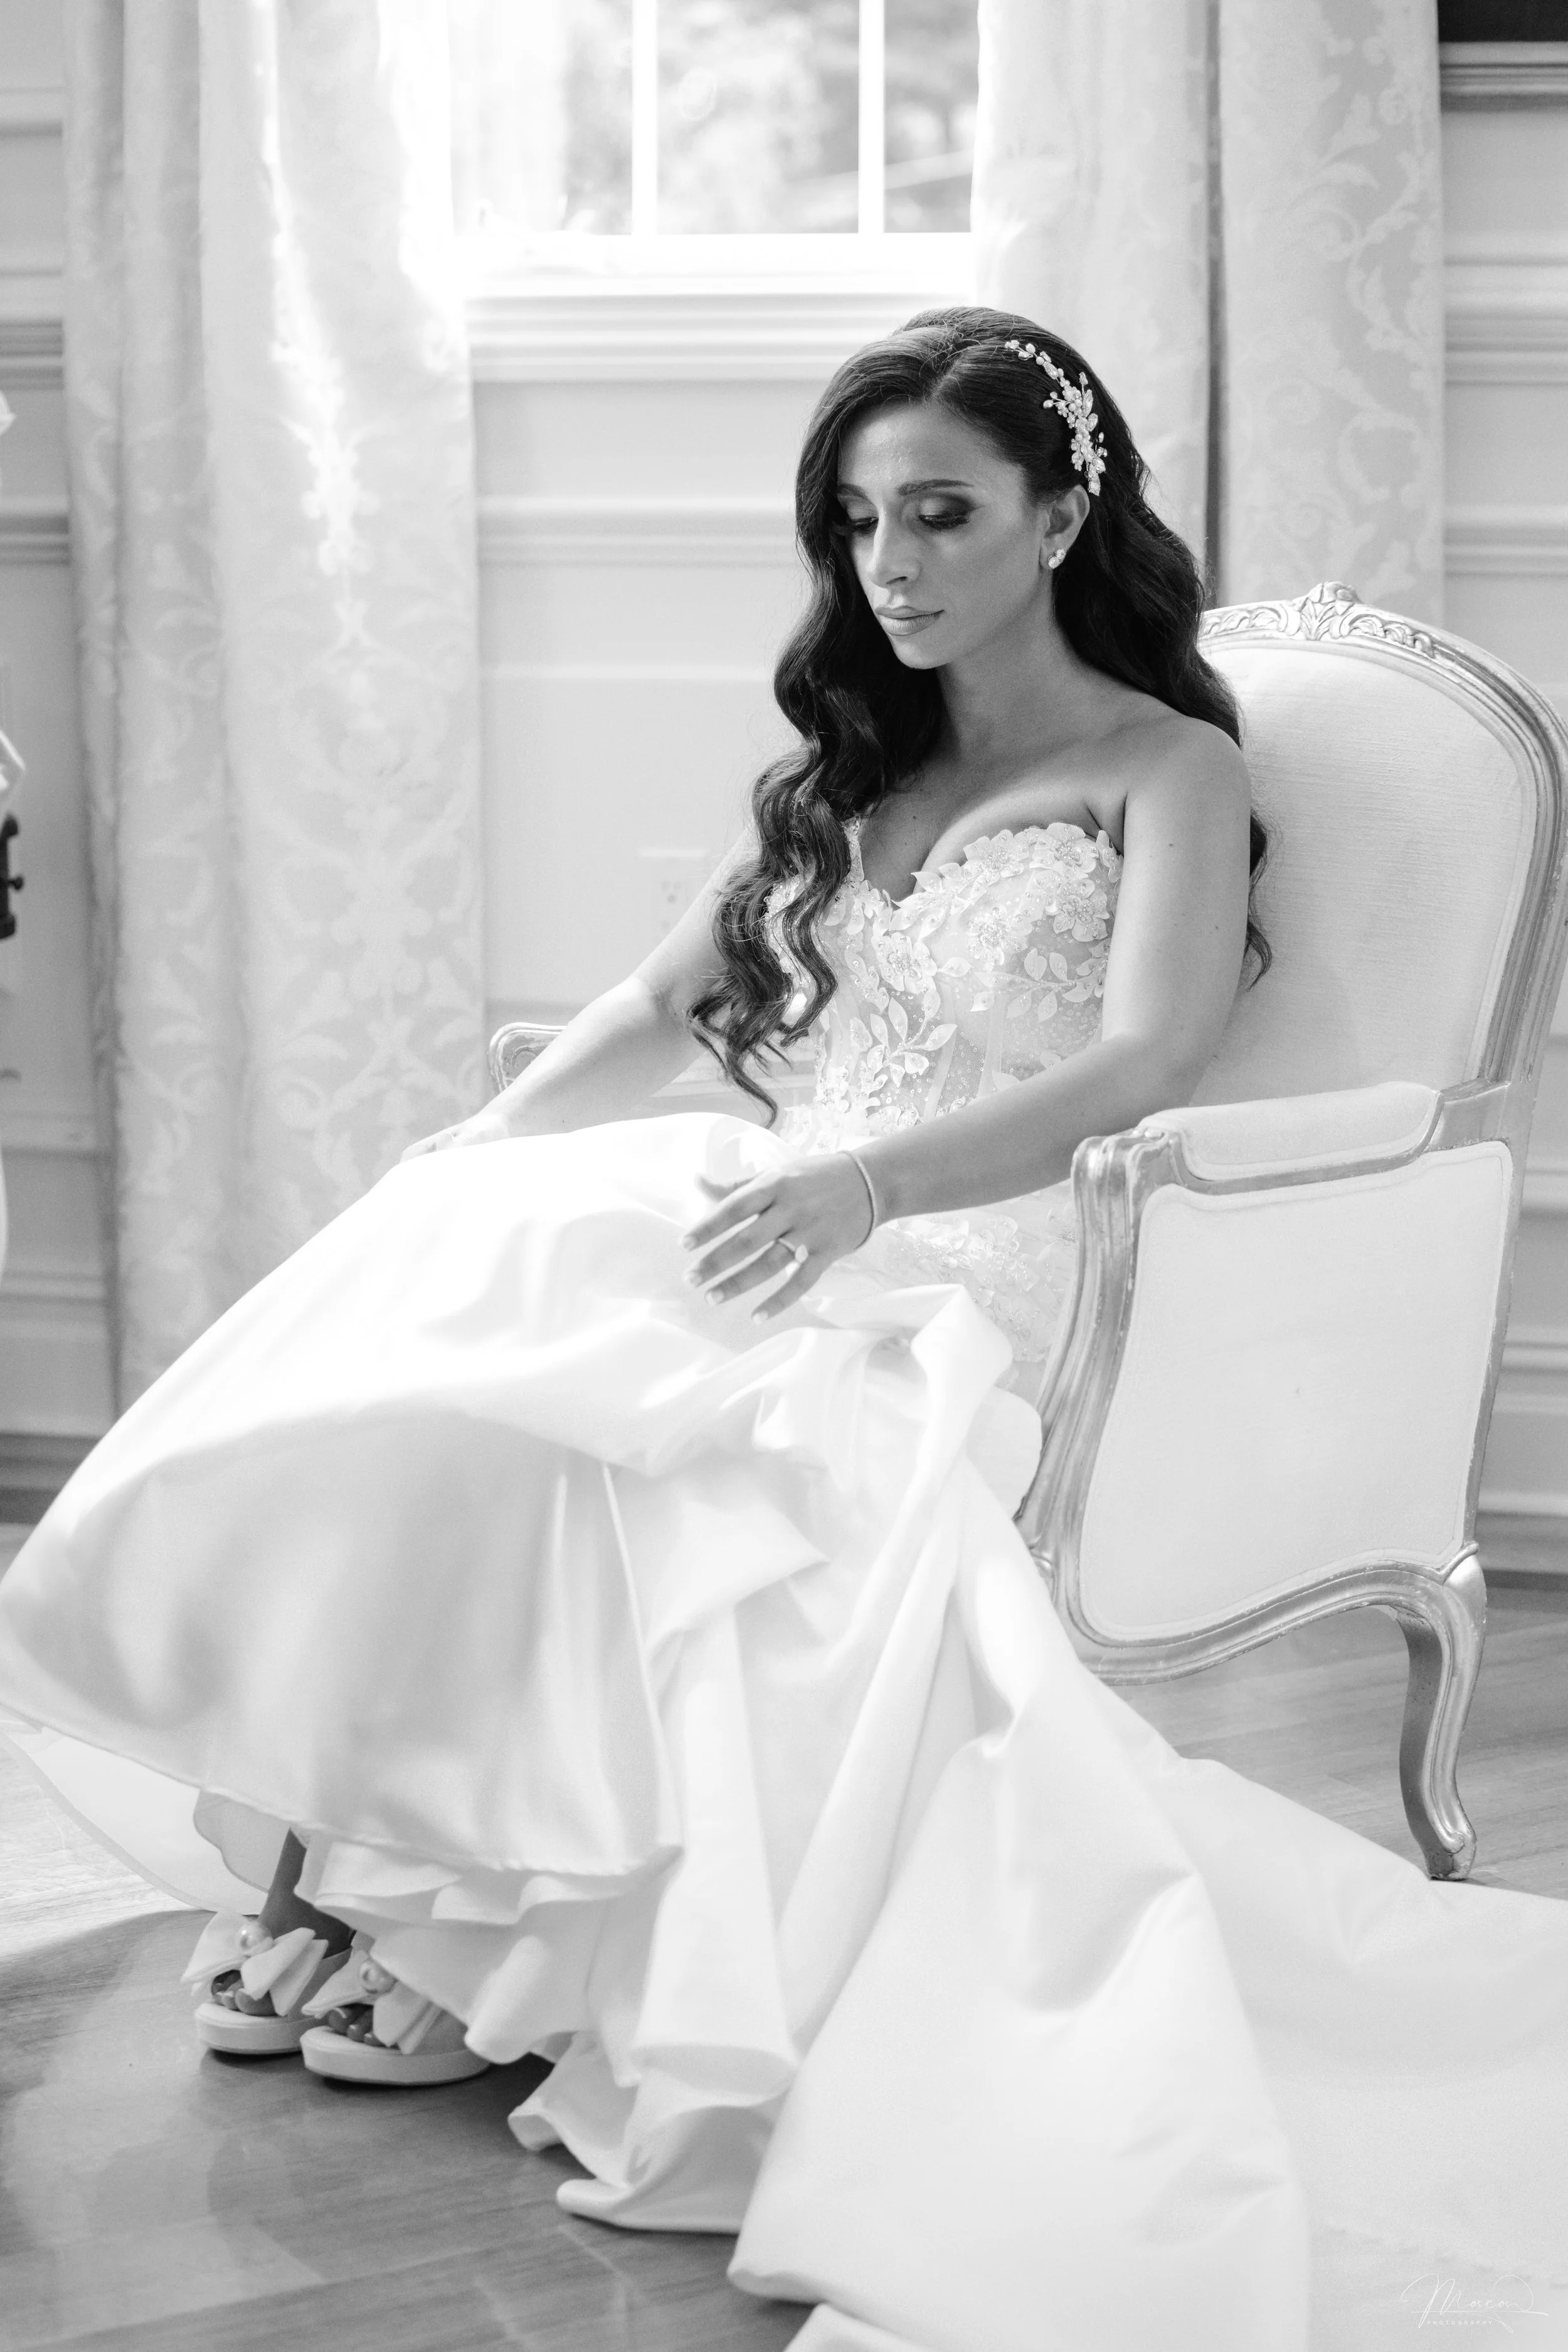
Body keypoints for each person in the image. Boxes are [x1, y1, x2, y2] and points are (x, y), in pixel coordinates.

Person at [2, 308, 1566, 2352]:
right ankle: (389, 1869)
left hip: (972, 1253)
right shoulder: (861, 765)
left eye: (940, 512)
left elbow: (1145, 1060)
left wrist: (865, 1191)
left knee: (686, 1443)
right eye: (857, 523)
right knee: (479, 1294)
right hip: (776, 1203)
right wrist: (461, 1149)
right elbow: (663, 1008)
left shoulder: (1161, 764)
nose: (892, 564)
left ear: (1059, 512)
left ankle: (471, 1925)